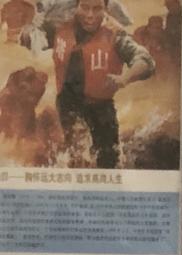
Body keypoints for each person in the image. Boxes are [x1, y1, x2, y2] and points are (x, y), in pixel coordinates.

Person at [52, 0, 155, 168]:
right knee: (74, 155)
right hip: (67, 103)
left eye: (97, 9)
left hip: (101, 109)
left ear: (106, 9)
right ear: (76, 6)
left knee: (109, 160)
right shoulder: (60, 24)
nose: (90, 15)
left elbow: (146, 61)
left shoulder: (116, 35)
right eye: (85, 8)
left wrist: (125, 78)